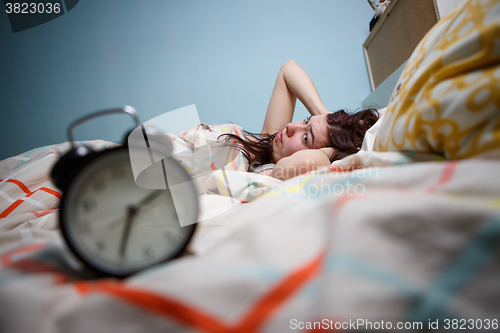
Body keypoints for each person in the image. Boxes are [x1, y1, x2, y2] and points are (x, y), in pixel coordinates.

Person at [222, 60, 379, 181]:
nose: (290, 126)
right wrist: (324, 117)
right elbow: (288, 70)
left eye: (306, 138)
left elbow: (309, 162)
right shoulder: (267, 144)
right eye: (305, 121)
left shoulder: (269, 175)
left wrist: (335, 151)